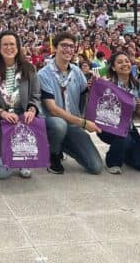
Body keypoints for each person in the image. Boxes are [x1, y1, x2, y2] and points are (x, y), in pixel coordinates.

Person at [0, 30, 41, 180]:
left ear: (18, 47)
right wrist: (1, 112)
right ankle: (1, 155)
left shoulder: (29, 69)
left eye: (12, 44)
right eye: (5, 44)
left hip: (22, 122)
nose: (9, 47)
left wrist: (32, 109)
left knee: (18, 157)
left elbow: (36, 96)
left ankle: (21, 157)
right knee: (0, 173)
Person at [37, 32, 102, 175]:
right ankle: (53, 154)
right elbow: (52, 109)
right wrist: (83, 123)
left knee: (96, 167)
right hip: (52, 123)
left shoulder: (77, 71)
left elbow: (86, 96)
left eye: (71, 46)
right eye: (64, 45)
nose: (68, 50)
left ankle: (62, 144)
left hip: (72, 125)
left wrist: (96, 88)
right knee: (59, 125)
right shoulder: (43, 74)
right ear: (55, 48)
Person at [97, 52, 140, 174]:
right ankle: (112, 161)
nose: (125, 64)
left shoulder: (138, 85)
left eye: (127, 61)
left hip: (128, 128)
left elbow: (138, 114)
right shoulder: (107, 85)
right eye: (120, 62)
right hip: (108, 128)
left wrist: (139, 109)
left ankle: (122, 152)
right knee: (124, 139)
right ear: (113, 67)